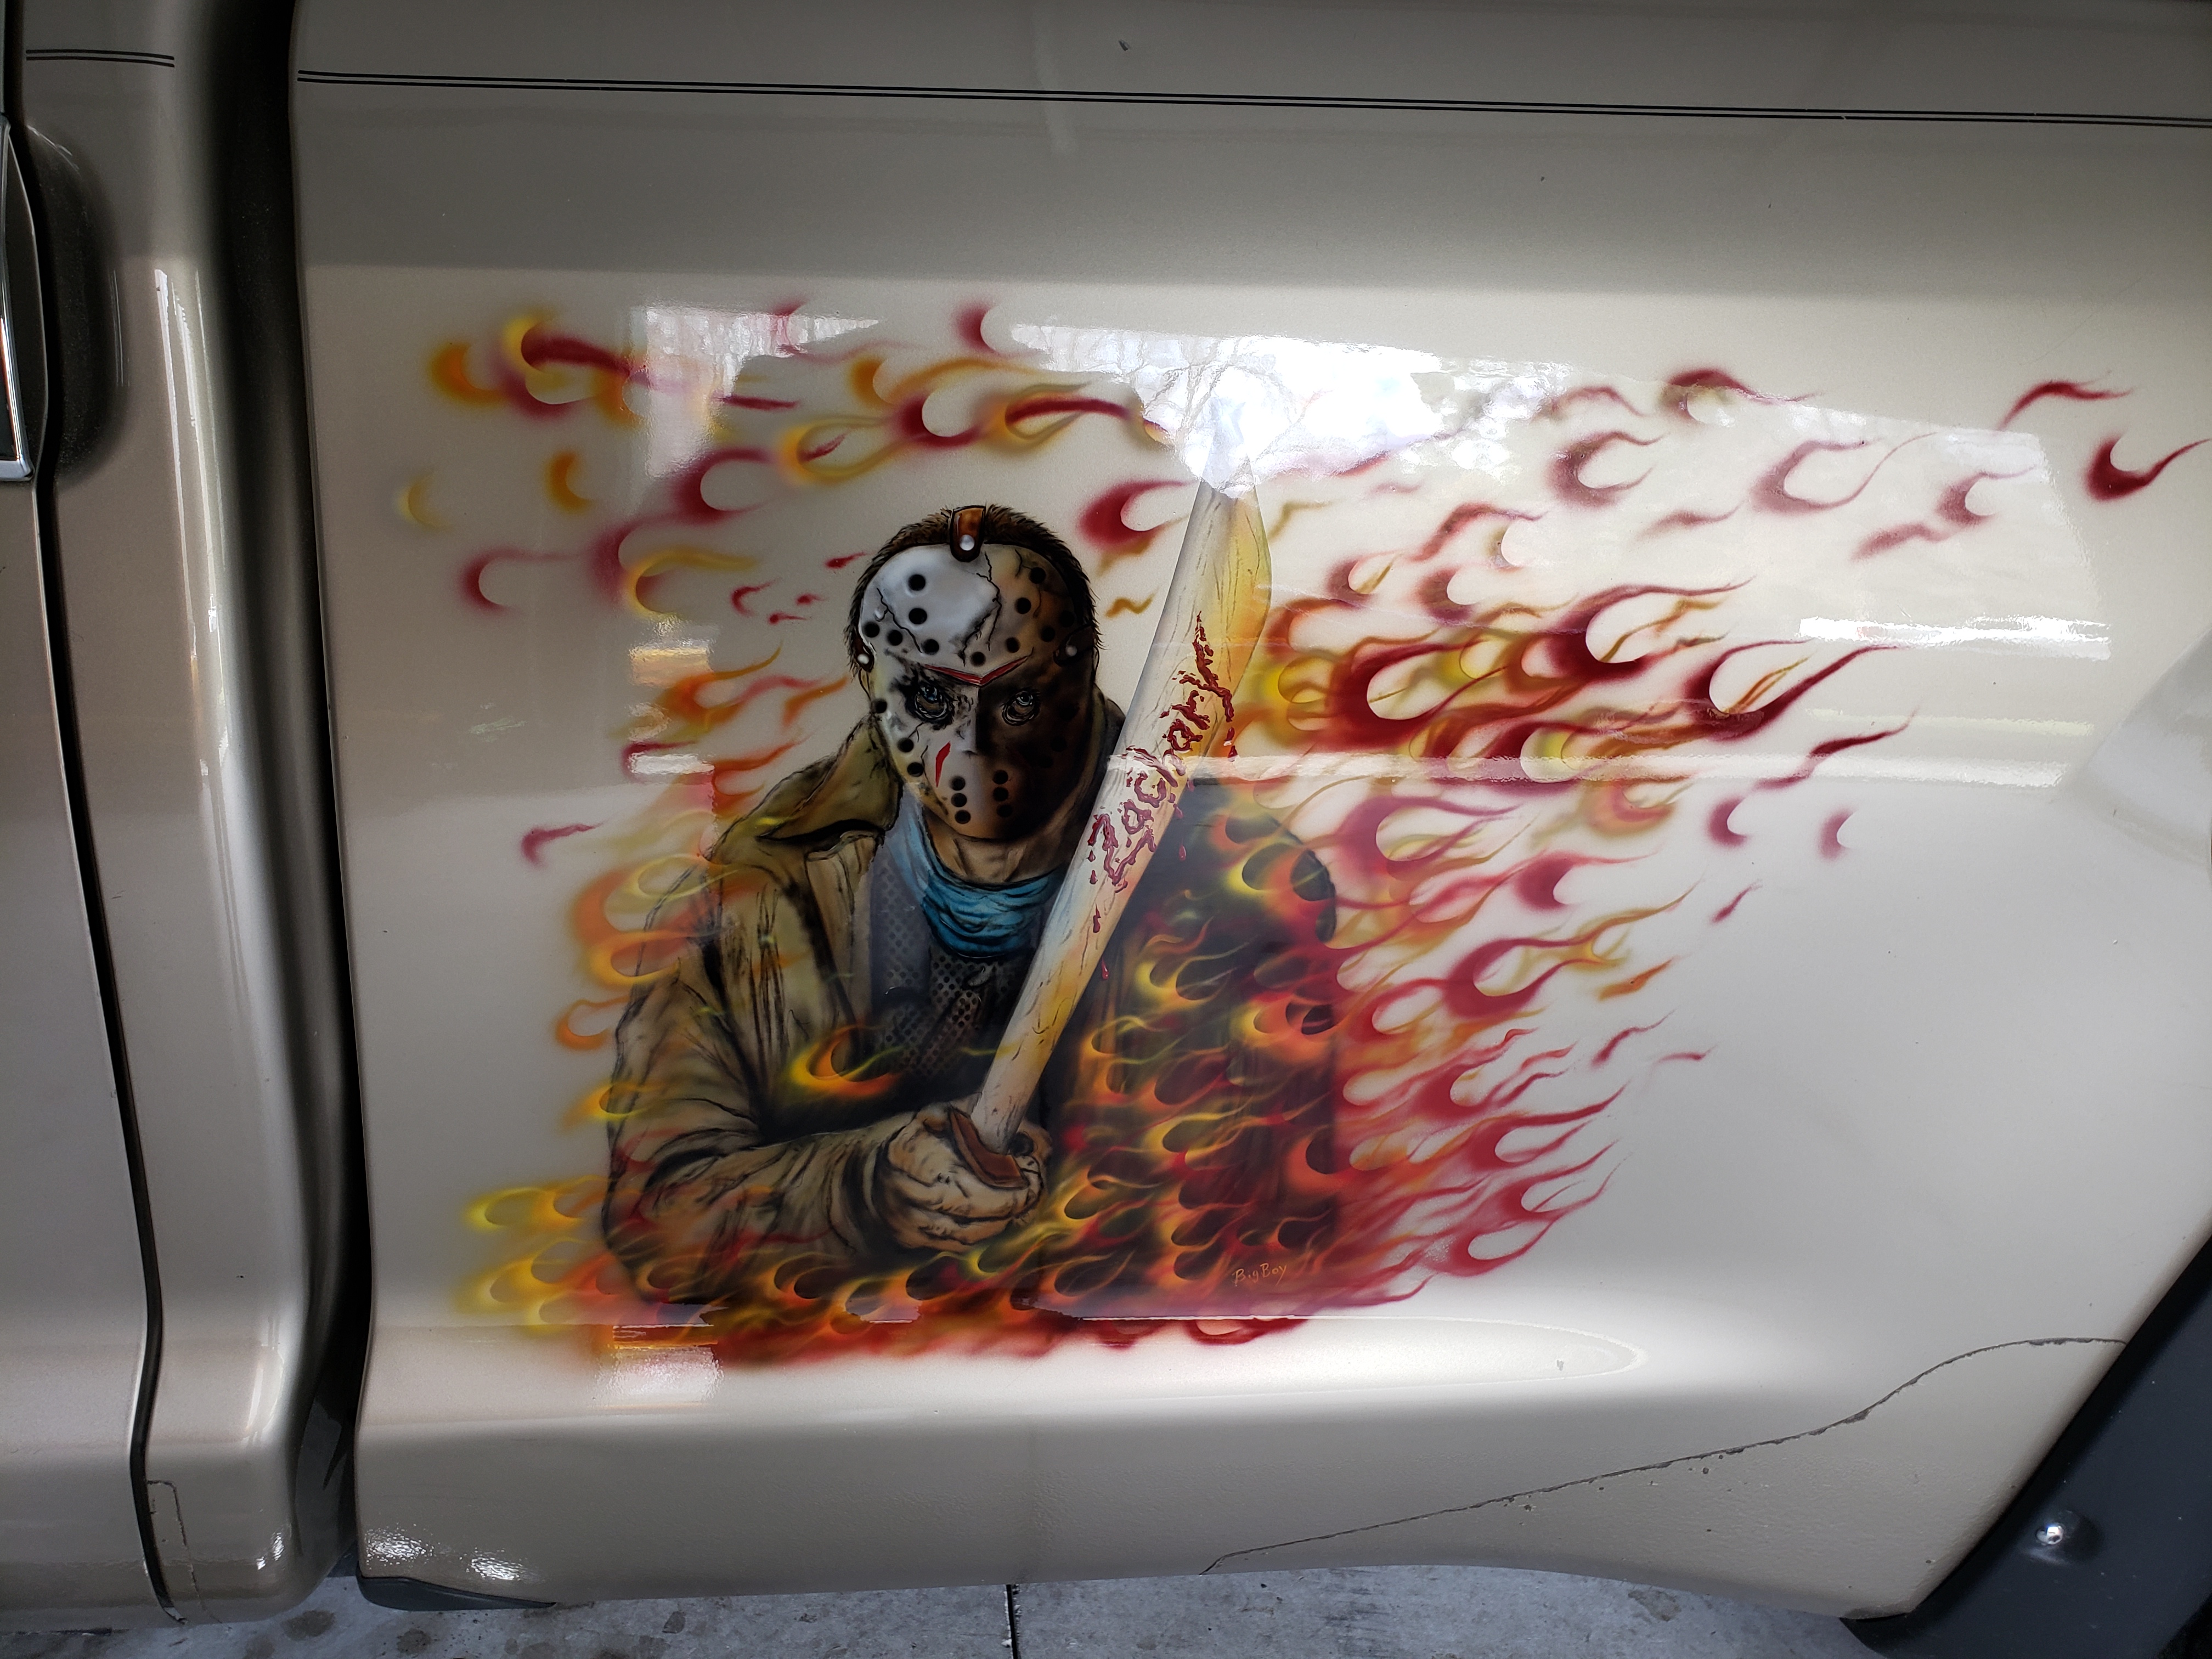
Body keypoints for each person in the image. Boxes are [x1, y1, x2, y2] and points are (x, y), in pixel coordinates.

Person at [602, 504, 1339, 1316]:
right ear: (870, 680)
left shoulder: (1244, 891)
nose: (976, 747)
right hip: (838, 1374)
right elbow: (658, 1220)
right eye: (929, 696)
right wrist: (863, 1191)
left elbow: (1272, 1244)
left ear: (1081, 674)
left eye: (1018, 701)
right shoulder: (748, 898)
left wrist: (1060, 1219)